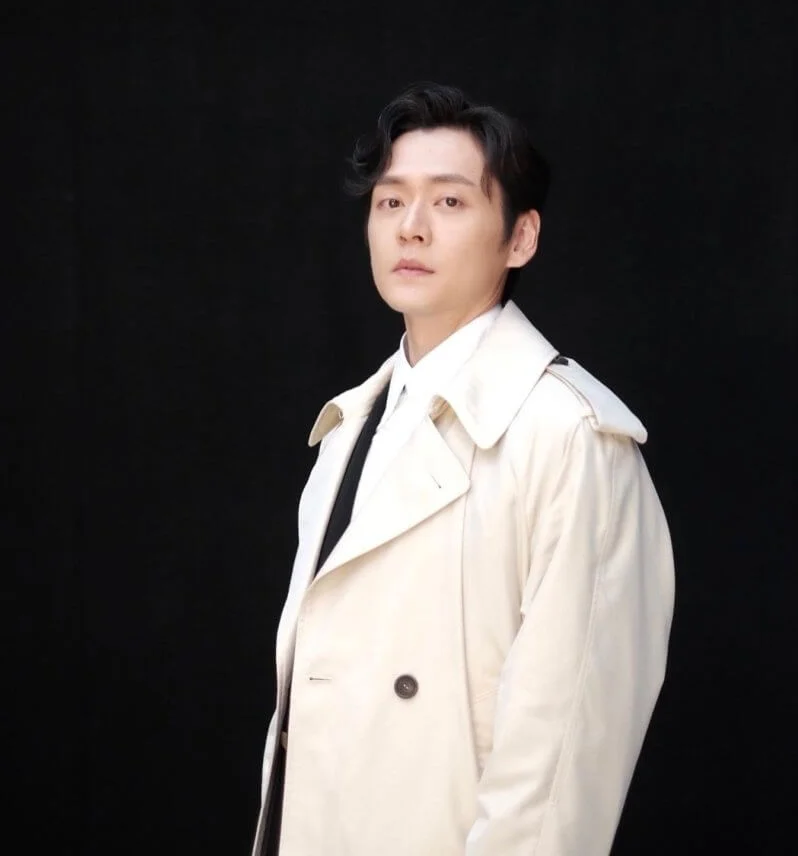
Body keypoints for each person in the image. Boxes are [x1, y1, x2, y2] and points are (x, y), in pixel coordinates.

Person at [251, 82, 675, 856]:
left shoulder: (569, 437)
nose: (410, 227)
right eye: (390, 202)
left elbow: (558, 763)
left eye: (449, 202)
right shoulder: (350, 425)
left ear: (520, 238)